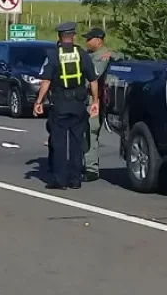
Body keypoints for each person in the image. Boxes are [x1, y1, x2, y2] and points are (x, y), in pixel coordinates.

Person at [33, 22, 99, 190]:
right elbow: (93, 80)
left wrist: (39, 102)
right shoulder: (82, 54)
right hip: (78, 103)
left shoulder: (54, 55)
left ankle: (59, 180)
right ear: (74, 36)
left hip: (60, 103)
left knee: (59, 142)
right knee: (77, 142)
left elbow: (46, 81)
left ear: (60, 38)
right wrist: (96, 102)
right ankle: (75, 179)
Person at [82, 28, 127, 182]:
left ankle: (91, 169)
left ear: (98, 40)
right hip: (87, 100)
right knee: (85, 134)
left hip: (94, 101)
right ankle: (86, 164)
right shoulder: (89, 55)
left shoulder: (103, 56)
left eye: (89, 39)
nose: (86, 42)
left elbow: (92, 77)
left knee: (90, 133)